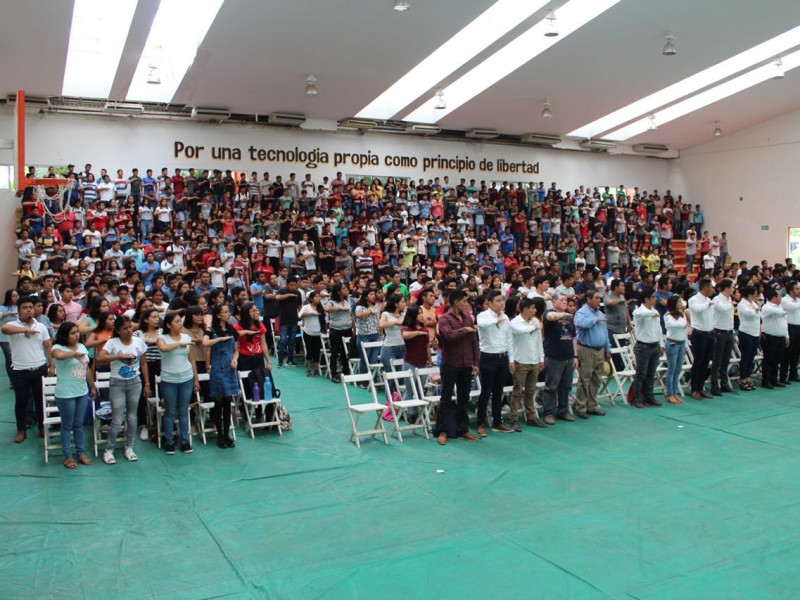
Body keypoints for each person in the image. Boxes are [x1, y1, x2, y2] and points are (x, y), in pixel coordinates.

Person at [97, 316, 149, 464]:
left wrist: (147, 383)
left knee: (132, 417)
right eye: (125, 328)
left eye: (130, 327)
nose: (129, 330)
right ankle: (109, 449)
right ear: (118, 330)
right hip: (117, 383)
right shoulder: (112, 342)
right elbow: (100, 357)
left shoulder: (139, 342)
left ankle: (129, 447)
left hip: (135, 383)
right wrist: (119, 355)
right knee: (117, 419)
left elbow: (143, 364)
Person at [1, 296, 54, 443]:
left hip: (40, 368)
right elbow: (4, 329)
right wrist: (25, 330)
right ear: (18, 311)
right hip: (19, 370)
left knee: (40, 400)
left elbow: (47, 346)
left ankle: (42, 427)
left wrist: (51, 365)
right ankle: (21, 429)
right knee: (21, 401)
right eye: (24, 308)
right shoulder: (12, 325)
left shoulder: (41, 326)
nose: (28, 310)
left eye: (30, 307)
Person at [433, 289, 479, 445]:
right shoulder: (444, 319)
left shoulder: (468, 318)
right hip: (450, 363)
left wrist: (475, 363)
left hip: (466, 364)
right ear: (455, 302)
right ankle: (442, 431)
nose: (466, 304)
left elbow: (474, 342)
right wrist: (464, 330)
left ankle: (463, 430)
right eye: (464, 301)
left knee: (463, 399)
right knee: (446, 398)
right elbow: (449, 336)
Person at [51, 322, 97, 468]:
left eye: (78, 332)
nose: (77, 335)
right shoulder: (57, 348)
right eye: (73, 333)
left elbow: (86, 369)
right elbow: (58, 356)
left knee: (78, 424)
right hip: (65, 394)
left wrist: (93, 386)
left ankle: (81, 452)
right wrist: (74, 353)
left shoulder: (82, 347)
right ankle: (67, 456)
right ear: (65, 335)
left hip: (82, 391)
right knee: (67, 425)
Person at [157, 313, 199, 455]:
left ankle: (185, 441)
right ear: (168, 325)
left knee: (183, 410)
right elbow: (163, 348)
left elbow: (192, 359)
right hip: (169, 380)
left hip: (186, 378)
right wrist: (179, 344)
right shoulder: (162, 338)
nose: (180, 324)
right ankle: (169, 441)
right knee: (170, 411)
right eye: (176, 322)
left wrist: (196, 379)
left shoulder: (186, 338)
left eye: (180, 321)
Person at [475, 290, 514, 435]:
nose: (501, 303)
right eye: (498, 300)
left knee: (499, 391)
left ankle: (497, 421)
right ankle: (480, 422)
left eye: (502, 300)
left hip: (502, 356)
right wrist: (497, 319)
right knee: (486, 391)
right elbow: (483, 326)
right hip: (488, 356)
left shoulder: (505, 317)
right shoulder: (482, 316)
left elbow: (509, 338)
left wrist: (511, 359)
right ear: (489, 303)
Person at [203, 303, 239, 448]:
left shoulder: (231, 329)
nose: (228, 313)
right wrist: (219, 339)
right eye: (225, 312)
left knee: (227, 402)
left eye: (228, 311)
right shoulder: (211, 330)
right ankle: (220, 435)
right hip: (218, 368)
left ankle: (227, 434)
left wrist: (235, 359)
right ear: (218, 315)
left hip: (230, 368)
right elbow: (205, 343)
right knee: (218, 402)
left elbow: (236, 349)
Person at [509, 296, 547, 431]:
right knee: (517, 392)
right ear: (525, 309)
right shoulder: (515, 322)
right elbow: (521, 331)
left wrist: (541, 358)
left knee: (530, 391)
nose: (535, 310)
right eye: (533, 308)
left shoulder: (535, 321)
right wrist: (534, 326)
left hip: (534, 360)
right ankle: (513, 419)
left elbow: (538, 342)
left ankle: (531, 417)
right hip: (521, 361)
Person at [573, 289, 610, 418]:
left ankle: (592, 405)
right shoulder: (581, 312)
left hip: (600, 350)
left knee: (596, 379)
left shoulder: (600, 313)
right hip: (586, 349)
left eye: (599, 298)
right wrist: (595, 319)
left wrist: (607, 348)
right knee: (584, 379)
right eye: (596, 298)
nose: (599, 300)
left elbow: (605, 333)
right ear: (588, 299)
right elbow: (579, 324)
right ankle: (581, 407)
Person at [541, 292, 576, 424]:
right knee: (551, 387)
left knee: (566, 386)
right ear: (554, 302)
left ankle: (563, 411)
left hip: (568, 356)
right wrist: (563, 314)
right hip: (554, 356)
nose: (565, 302)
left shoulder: (569, 318)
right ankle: (548, 413)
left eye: (566, 300)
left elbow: (573, 337)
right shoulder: (548, 313)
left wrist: (575, 355)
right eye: (561, 300)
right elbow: (551, 317)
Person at [631, 286, 664, 408]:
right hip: (643, 346)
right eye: (653, 297)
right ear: (646, 299)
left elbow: (659, 329)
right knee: (640, 374)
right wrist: (652, 313)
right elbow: (640, 314)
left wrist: (661, 344)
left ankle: (649, 396)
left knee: (651, 374)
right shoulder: (639, 311)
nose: (655, 299)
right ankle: (637, 398)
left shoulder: (655, 311)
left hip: (654, 344)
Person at [400, 305, 430, 422]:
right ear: (413, 315)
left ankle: (417, 410)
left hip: (423, 362)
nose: (422, 315)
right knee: (410, 389)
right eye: (419, 313)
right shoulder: (406, 327)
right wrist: (418, 333)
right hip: (410, 362)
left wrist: (430, 362)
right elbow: (405, 335)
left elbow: (427, 346)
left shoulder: (424, 328)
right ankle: (409, 412)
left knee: (420, 388)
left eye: (422, 313)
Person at [688, 278, 715, 400]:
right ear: (705, 287)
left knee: (705, 362)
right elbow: (697, 309)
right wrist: (707, 304)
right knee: (698, 362)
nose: (713, 289)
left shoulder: (708, 300)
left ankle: (701, 387)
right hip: (699, 334)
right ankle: (694, 389)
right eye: (711, 287)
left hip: (709, 333)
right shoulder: (693, 299)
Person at [710, 278, 736, 395]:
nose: (733, 289)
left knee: (726, 360)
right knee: (717, 361)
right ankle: (714, 386)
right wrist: (731, 304)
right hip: (719, 332)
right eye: (732, 287)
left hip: (729, 332)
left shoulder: (729, 299)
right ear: (726, 288)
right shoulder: (717, 299)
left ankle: (724, 384)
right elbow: (722, 308)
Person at [324, 283, 353, 384]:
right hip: (336, 330)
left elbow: (350, 315)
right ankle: (334, 374)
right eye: (344, 288)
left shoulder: (347, 300)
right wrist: (339, 308)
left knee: (347, 352)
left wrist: (353, 327)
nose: (346, 290)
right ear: (338, 291)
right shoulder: (331, 302)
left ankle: (346, 371)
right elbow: (327, 309)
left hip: (348, 329)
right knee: (335, 352)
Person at [379, 294, 407, 396]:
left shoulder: (405, 314)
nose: (405, 304)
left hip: (403, 346)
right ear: (396, 304)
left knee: (401, 376)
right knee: (391, 376)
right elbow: (381, 325)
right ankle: (390, 402)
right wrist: (395, 322)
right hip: (389, 348)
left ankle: (399, 399)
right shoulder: (386, 314)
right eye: (402, 302)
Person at [761, 288, 789, 390]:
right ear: (774, 298)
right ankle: (766, 380)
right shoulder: (767, 307)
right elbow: (777, 312)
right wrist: (783, 311)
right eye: (779, 296)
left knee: (777, 359)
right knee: (769, 359)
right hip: (769, 337)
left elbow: (784, 322)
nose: (781, 297)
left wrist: (787, 335)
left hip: (780, 336)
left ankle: (774, 379)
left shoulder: (780, 307)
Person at [663, 295, 687, 404]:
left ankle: (675, 392)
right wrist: (681, 324)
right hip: (672, 343)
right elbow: (672, 325)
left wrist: (685, 345)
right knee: (671, 369)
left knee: (677, 370)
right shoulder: (667, 315)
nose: (681, 303)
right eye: (678, 302)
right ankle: (669, 393)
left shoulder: (682, 314)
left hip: (681, 343)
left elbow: (683, 326)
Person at [736, 285, 760, 391]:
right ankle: (742, 378)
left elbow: (759, 313)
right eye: (755, 293)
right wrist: (755, 310)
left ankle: (748, 376)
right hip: (746, 332)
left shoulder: (753, 303)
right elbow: (749, 314)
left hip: (755, 332)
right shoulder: (742, 304)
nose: (756, 295)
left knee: (751, 357)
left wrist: (755, 309)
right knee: (745, 357)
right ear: (749, 294)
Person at [275, 276, 302, 368]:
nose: (293, 287)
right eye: (291, 285)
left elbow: (299, 306)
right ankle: (280, 361)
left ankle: (290, 360)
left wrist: (302, 318)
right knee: (282, 341)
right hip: (284, 320)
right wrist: (288, 295)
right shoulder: (282, 291)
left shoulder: (298, 293)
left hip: (294, 320)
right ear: (287, 285)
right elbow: (277, 297)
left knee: (292, 341)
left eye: (294, 285)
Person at [299, 291, 323, 377]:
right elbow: (300, 315)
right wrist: (311, 313)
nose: (318, 298)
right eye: (316, 297)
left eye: (319, 297)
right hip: (308, 332)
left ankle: (316, 369)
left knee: (317, 351)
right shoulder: (306, 307)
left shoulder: (320, 307)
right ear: (311, 299)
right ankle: (308, 369)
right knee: (309, 351)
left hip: (318, 333)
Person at [780, 280, 800, 384]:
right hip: (789, 327)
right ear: (791, 291)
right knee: (787, 353)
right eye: (797, 289)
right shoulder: (785, 300)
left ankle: (793, 374)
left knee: (796, 353)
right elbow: (794, 307)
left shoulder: (798, 300)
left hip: (798, 327)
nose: (799, 291)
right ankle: (783, 376)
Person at [0, 289, 20, 386]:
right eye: (13, 296)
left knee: (17, 356)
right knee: (9, 357)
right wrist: (6, 314)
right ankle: (12, 380)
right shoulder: (3, 308)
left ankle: (18, 377)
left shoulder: (20, 307)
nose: (16, 298)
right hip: (4, 337)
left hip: (17, 336)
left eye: (17, 296)